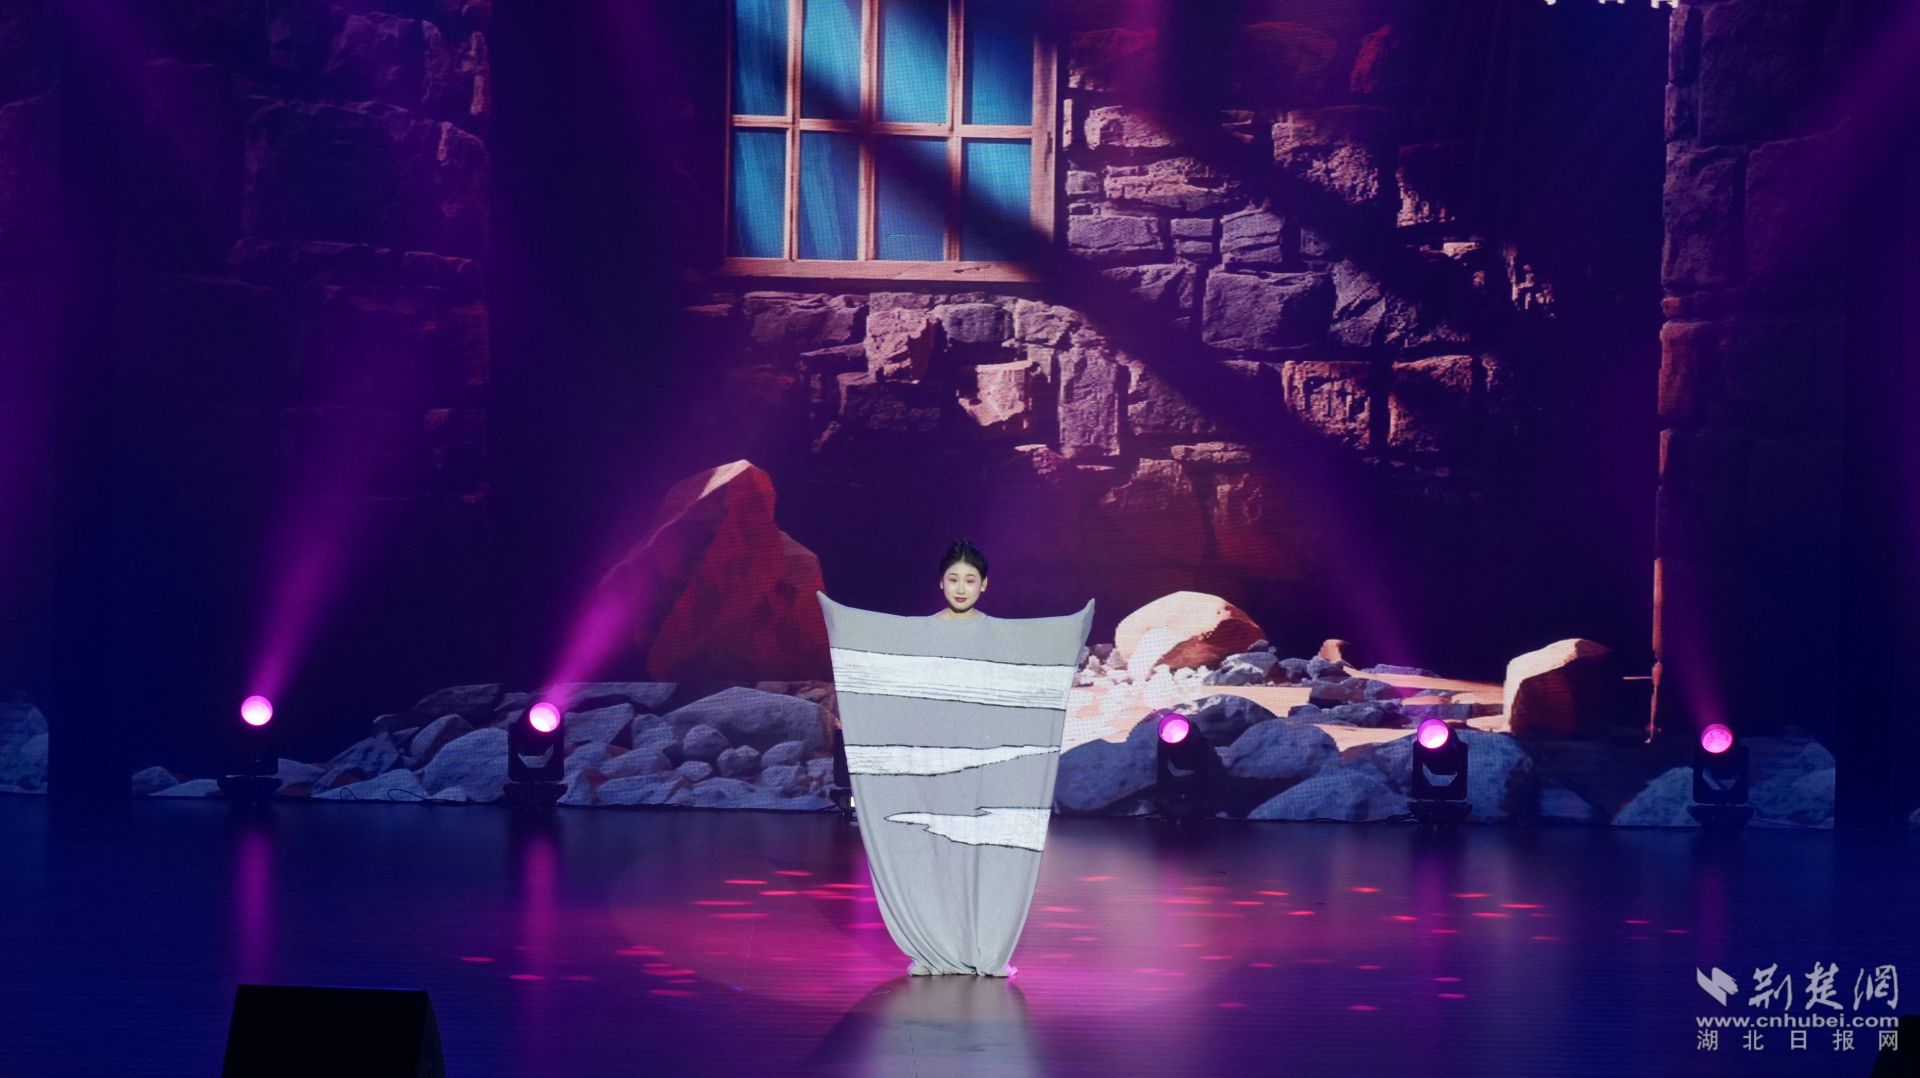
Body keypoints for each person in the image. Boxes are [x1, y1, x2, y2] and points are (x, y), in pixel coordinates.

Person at [933, 539, 988, 621]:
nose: (960, 591)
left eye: (969, 581)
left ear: (983, 584)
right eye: (953, 580)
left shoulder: (999, 627)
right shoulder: (920, 626)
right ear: (942, 582)